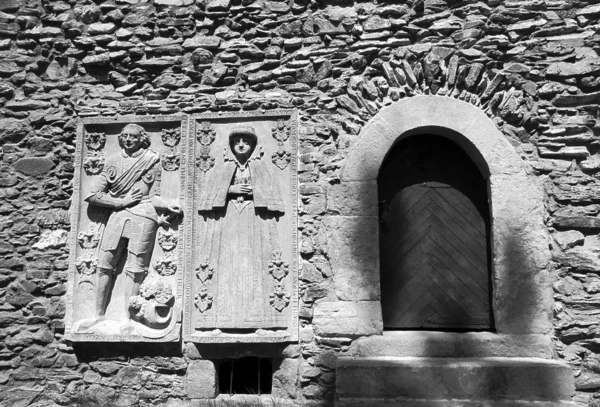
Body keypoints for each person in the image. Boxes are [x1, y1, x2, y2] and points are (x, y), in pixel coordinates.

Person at [82, 123, 180, 332]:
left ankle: (128, 318)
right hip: (118, 215)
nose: (127, 139)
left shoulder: (152, 161)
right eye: (124, 136)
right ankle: (98, 316)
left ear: (141, 139)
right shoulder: (114, 162)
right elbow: (92, 194)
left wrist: (166, 205)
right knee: (104, 265)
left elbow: (153, 195)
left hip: (144, 215)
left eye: (132, 137)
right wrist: (119, 202)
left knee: (136, 269)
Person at [198, 125, 286, 332]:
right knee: (226, 267)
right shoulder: (222, 169)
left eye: (245, 142)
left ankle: (260, 321)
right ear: (230, 145)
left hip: (254, 222)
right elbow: (208, 198)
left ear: (253, 145)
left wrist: (256, 192)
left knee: (256, 267)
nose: (241, 145)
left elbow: (274, 198)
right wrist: (229, 189)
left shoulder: (261, 168)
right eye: (237, 141)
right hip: (228, 222)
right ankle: (220, 320)